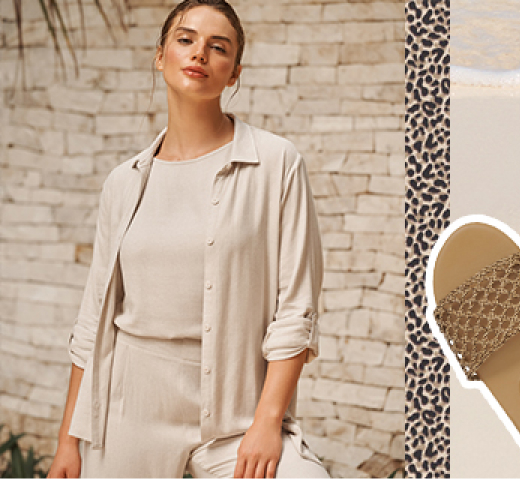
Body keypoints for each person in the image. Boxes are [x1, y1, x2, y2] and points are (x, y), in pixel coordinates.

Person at [48, 0, 328, 476]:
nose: (200, 52)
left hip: (237, 420)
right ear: (160, 56)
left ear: (233, 72)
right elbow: (94, 317)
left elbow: (295, 310)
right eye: (186, 39)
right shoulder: (123, 182)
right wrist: (67, 443)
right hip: (128, 413)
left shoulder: (277, 163)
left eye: (218, 47)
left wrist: (266, 422)